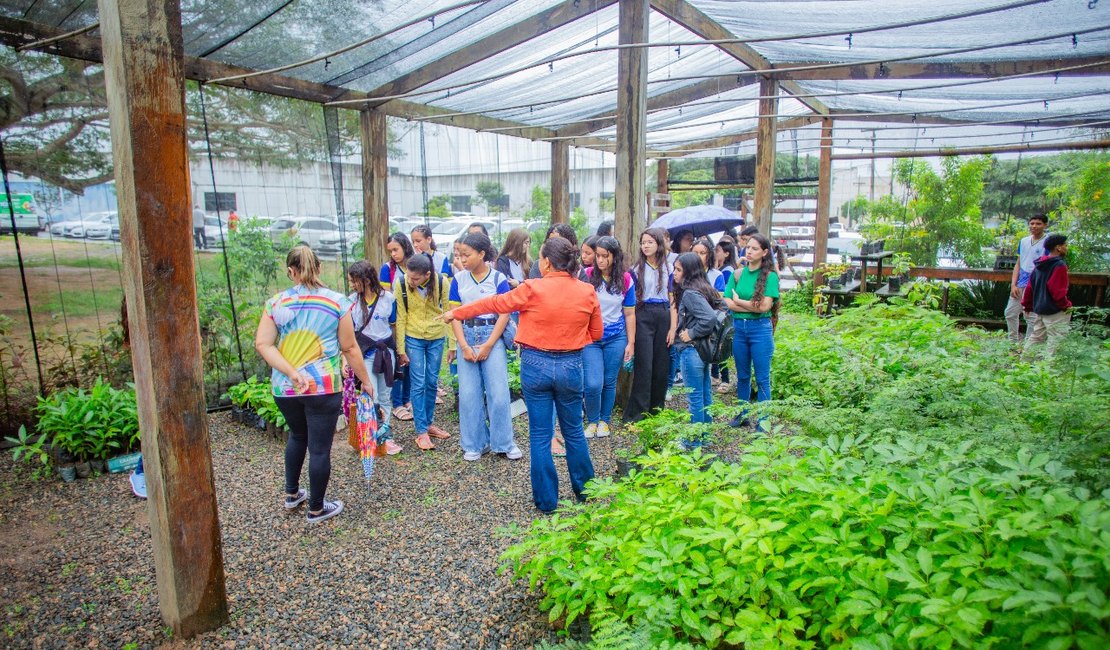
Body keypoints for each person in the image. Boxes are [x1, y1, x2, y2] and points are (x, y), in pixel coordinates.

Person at [440, 237, 602, 513]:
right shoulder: (586, 291)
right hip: (571, 365)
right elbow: (596, 334)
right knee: (574, 430)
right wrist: (572, 338)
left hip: (535, 364)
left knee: (540, 435)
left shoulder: (532, 288)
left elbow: (494, 304)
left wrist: (457, 312)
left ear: (547, 263)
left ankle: (547, 502)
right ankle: (587, 493)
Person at [255, 246, 372, 524]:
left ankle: (292, 494)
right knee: (319, 448)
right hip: (323, 386)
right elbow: (349, 347)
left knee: (297, 436)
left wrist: (292, 373)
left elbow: (263, 344)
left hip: (285, 388)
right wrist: (365, 381)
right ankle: (317, 508)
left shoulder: (276, 303)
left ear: (290, 272)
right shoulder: (337, 303)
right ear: (319, 269)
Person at [448, 232, 522, 461]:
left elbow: (504, 313)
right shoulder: (457, 280)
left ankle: (504, 442)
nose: (462, 259)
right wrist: (463, 345)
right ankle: (475, 443)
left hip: (492, 334)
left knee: (498, 393)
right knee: (469, 394)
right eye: (460, 255)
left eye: (467, 255)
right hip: (466, 336)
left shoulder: (498, 278)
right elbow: (455, 315)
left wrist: (490, 345)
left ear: (481, 254)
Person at [394, 252, 454, 451]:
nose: (410, 281)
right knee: (418, 383)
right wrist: (400, 349)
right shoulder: (401, 284)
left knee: (431, 381)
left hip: (436, 336)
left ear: (427, 274)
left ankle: (428, 424)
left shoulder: (441, 282)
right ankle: (421, 431)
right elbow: (401, 317)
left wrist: (452, 345)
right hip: (413, 337)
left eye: (415, 278)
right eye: (409, 276)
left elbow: (449, 313)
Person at [722, 233, 779, 430]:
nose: (750, 251)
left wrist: (739, 302)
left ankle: (763, 421)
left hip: (760, 330)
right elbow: (727, 301)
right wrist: (747, 306)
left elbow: (764, 307)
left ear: (764, 252)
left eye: (755, 248)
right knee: (743, 375)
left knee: (762, 377)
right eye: (748, 247)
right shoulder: (738, 274)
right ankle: (741, 414)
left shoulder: (770, 277)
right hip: (740, 329)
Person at [347, 261, 402, 455]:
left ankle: (385, 436)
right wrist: (347, 360)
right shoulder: (352, 301)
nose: (352, 285)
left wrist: (400, 352)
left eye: (354, 281)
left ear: (366, 279)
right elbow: (348, 333)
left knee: (386, 395)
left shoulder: (388, 298)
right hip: (365, 353)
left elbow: (395, 325)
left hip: (386, 352)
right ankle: (370, 435)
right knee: (371, 395)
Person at [582, 236, 635, 438]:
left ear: (615, 256)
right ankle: (592, 420)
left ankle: (605, 420)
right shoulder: (586, 276)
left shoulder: (626, 279)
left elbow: (630, 313)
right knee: (593, 382)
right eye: (598, 256)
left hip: (616, 336)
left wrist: (631, 342)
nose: (601, 260)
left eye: (605, 256)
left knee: (609, 380)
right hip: (591, 338)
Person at [672, 252, 723, 447]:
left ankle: (694, 441)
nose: (674, 273)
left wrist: (691, 333)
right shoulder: (705, 288)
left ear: (689, 272)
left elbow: (710, 318)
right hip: (704, 350)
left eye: (678, 270)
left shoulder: (690, 293)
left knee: (694, 396)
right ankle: (705, 437)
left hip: (692, 350)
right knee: (704, 393)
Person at [624, 227, 674, 423]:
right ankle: (638, 413)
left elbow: (673, 300)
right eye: (643, 242)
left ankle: (656, 409)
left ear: (659, 244)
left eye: (650, 242)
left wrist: (672, 327)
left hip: (663, 314)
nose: (645, 246)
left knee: (661, 364)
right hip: (643, 313)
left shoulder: (669, 267)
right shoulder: (636, 270)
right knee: (644, 364)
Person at [380, 233, 415, 422]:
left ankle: (408, 398)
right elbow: (385, 298)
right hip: (395, 322)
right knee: (398, 361)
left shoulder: (415, 264)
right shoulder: (387, 270)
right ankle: (397, 402)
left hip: (414, 320)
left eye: (396, 249)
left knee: (410, 360)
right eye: (390, 251)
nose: (393, 254)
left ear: (404, 246)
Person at [1021, 234, 1072, 356]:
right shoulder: (1059, 265)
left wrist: (1027, 305)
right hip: (1055, 310)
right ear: (1058, 248)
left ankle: (1024, 363)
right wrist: (1066, 305)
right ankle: (1051, 369)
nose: (1066, 248)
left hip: (1040, 308)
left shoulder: (1039, 265)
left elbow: (1030, 287)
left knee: (1036, 337)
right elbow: (1057, 290)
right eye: (1065, 245)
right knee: (1056, 340)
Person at [1005, 214, 1051, 343]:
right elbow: (1019, 263)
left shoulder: (1048, 243)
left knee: (1031, 316)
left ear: (1045, 225)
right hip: (1021, 281)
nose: (1034, 226)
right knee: (1010, 312)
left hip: (1036, 283)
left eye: (1038, 223)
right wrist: (1013, 284)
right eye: (1032, 223)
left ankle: (1028, 344)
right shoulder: (1024, 241)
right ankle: (1013, 342)